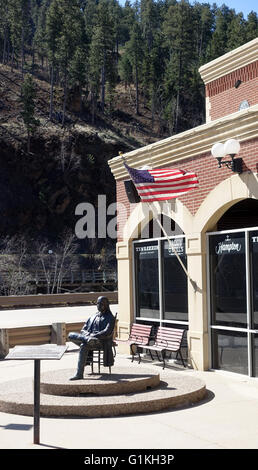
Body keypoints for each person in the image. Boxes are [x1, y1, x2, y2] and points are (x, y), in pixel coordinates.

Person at [68, 296, 115, 380]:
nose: (98, 305)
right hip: (89, 339)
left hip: (101, 342)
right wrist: (89, 335)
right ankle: (88, 340)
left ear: (106, 305)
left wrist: (94, 335)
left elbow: (107, 331)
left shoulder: (110, 317)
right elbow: (83, 330)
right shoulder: (93, 316)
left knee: (83, 346)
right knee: (70, 335)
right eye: (97, 303)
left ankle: (79, 374)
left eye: (101, 304)